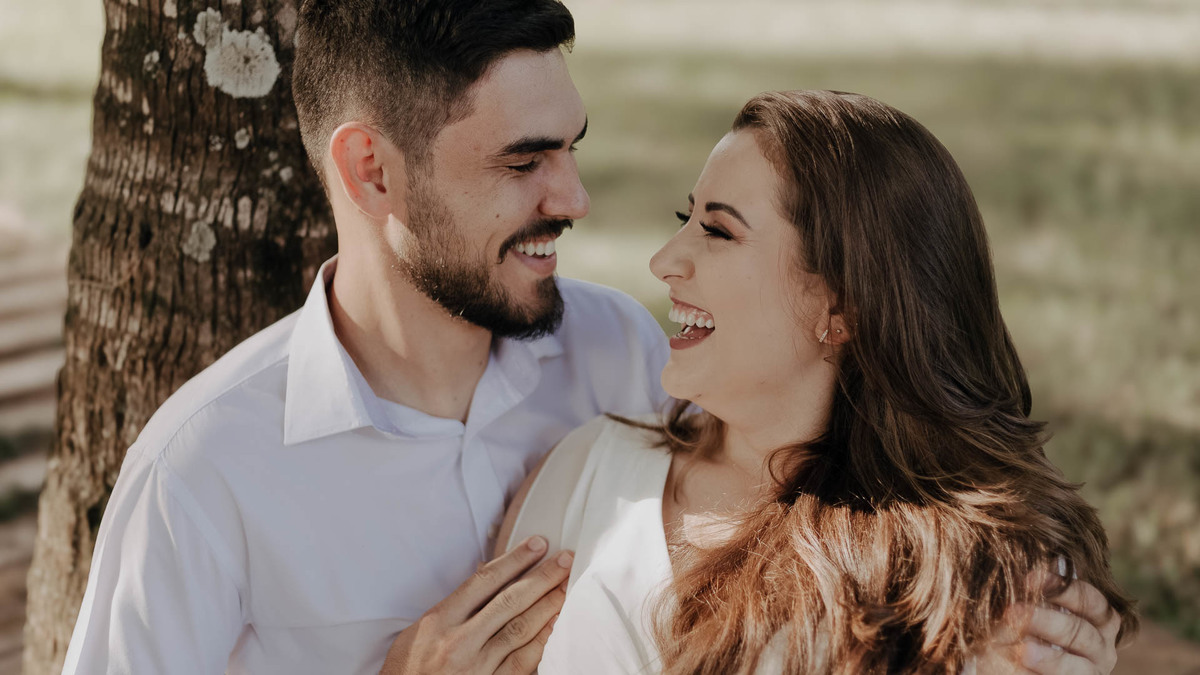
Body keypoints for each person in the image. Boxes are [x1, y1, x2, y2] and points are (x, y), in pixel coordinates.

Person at [61, 0, 1122, 671]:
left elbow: (847, 455)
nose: (572, 197)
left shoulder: (621, 354)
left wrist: (1045, 612)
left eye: (572, 147)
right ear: (371, 171)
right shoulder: (205, 476)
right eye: (523, 164)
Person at [498, 90, 1137, 674]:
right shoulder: (587, 470)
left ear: (844, 307)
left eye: (718, 231)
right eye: (685, 217)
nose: (664, 260)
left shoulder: (970, 579)